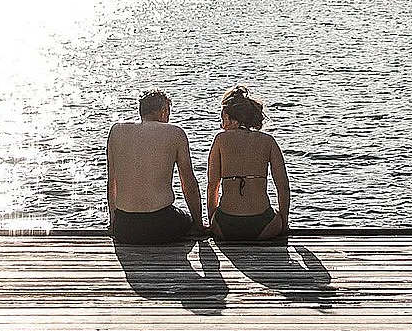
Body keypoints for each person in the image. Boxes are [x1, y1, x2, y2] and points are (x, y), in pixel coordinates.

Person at [106, 90, 204, 244]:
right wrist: (199, 224)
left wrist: (114, 221)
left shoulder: (117, 131)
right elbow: (188, 185)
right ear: (163, 111)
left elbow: (112, 182)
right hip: (161, 225)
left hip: (125, 228)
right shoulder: (175, 133)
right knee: (185, 218)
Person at [206, 86, 290, 242]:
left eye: (223, 118)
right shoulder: (268, 140)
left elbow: (213, 185)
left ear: (234, 120)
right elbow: (283, 185)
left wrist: (213, 217)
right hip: (263, 225)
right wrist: (283, 221)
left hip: (225, 226)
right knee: (276, 215)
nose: (221, 124)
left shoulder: (220, 140)